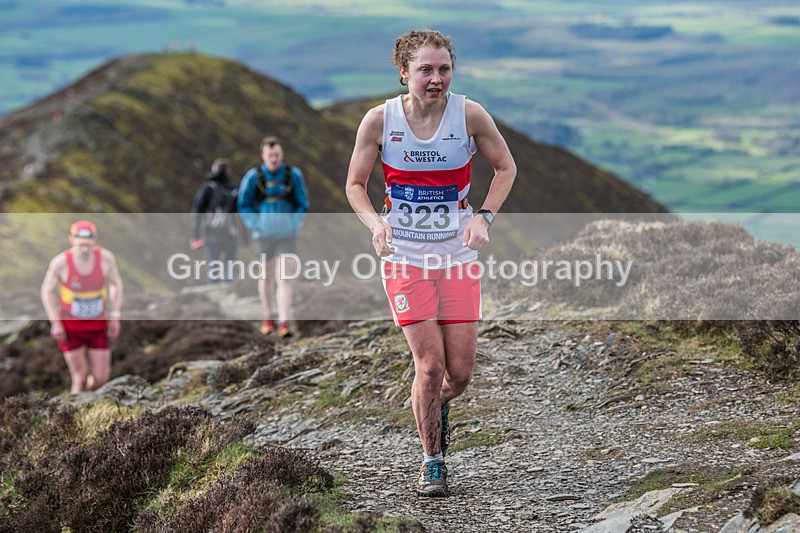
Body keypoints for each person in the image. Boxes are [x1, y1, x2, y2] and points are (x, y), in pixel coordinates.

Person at [345, 29, 516, 496]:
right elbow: (355, 186)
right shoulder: (380, 121)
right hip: (404, 256)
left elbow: (506, 168)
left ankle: (429, 407)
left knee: (458, 375)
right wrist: (375, 226)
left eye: (444, 69)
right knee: (429, 367)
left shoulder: (470, 115)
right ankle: (432, 460)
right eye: (425, 70)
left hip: (457, 255)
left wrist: (483, 217)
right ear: (404, 73)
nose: (436, 78)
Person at [238, 136, 310, 338]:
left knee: (284, 278)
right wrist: (255, 225)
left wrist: (294, 224)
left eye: (277, 154)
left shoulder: (292, 175)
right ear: (263, 155)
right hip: (263, 236)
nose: (274, 158)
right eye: (270, 155)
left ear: (282, 154)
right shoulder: (253, 177)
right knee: (265, 276)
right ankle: (268, 317)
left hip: (287, 235)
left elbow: (302, 203)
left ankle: (284, 322)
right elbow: (243, 204)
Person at [40, 220, 124, 393]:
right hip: (70, 327)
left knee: (101, 379)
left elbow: (116, 284)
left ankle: (90, 404)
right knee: (80, 378)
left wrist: (115, 315)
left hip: (98, 325)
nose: (84, 250)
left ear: (94, 240)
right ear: (71, 240)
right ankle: (71, 416)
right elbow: (46, 291)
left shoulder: (106, 259)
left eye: (88, 245)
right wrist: (55, 322)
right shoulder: (60, 262)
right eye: (80, 245)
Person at [190, 158, 245, 283]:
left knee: (213, 265)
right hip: (230, 234)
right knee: (230, 265)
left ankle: (214, 293)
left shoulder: (207, 188)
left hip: (212, 233)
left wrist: (195, 234)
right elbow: (242, 214)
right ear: (228, 172)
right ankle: (230, 291)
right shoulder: (234, 190)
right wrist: (245, 236)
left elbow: (197, 211)